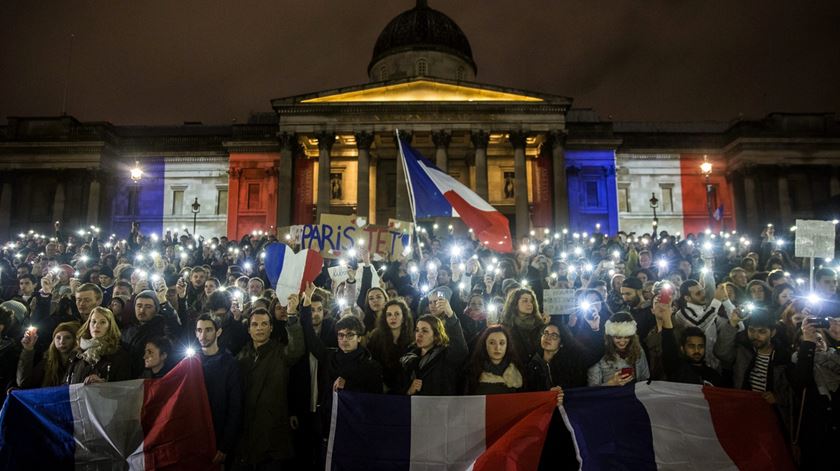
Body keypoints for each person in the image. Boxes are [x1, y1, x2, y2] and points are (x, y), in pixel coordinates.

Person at [236, 305, 304, 469]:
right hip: (246, 436)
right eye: (255, 324)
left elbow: (297, 349)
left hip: (273, 436)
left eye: (264, 324)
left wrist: (292, 317)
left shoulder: (281, 352)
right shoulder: (241, 357)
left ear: (271, 328)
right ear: (249, 329)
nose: (259, 328)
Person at [195, 314, 243, 468]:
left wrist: (225, 445)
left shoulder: (229, 363)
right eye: (199, 330)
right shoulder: (190, 361)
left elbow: (235, 407)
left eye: (208, 330)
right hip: (195, 435)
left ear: (218, 332)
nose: (203, 335)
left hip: (218, 435)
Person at [400, 312, 468, 396]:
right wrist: (409, 391)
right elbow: (399, 388)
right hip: (416, 407)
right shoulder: (408, 358)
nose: (419, 334)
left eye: (425, 331)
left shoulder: (445, 356)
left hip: (440, 406)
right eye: (417, 330)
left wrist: (451, 316)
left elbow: (461, 349)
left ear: (436, 335)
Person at [64, 307, 133, 384]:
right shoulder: (77, 353)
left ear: (110, 326)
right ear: (89, 324)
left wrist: (103, 385)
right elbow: (66, 382)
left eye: (102, 322)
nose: (96, 326)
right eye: (93, 321)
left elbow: (124, 388)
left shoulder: (119, 354)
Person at [587, 312, 650, 386]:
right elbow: (592, 388)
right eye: (618, 337)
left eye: (627, 337)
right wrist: (611, 383)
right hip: (609, 396)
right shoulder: (599, 352)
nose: (622, 342)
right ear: (610, 337)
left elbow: (645, 378)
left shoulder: (638, 350)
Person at [367, 299, 413, 394]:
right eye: (389, 315)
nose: (393, 318)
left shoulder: (411, 339)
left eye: (397, 314)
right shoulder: (376, 336)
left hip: (404, 389)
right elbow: (371, 363)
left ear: (404, 317)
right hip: (380, 387)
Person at [17, 321, 80, 388]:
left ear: (75, 340)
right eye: (58, 337)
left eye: (68, 337)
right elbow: (23, 383)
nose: (62, 342)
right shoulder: (48, 362)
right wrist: (28, 349)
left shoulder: (80, 361)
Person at [465, 325, 526, 394]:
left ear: (507, 345)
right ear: (484, 344)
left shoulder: (519, 370)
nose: (497, 348)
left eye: (502, 343)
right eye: (492, 343)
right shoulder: (473, 371)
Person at [500, 288, 546, 362]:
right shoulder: (506, 327)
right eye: (525, 301)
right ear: (515, 304)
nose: (530, 304)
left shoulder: (540, 325)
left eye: (531, 301)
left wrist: (545, 326)